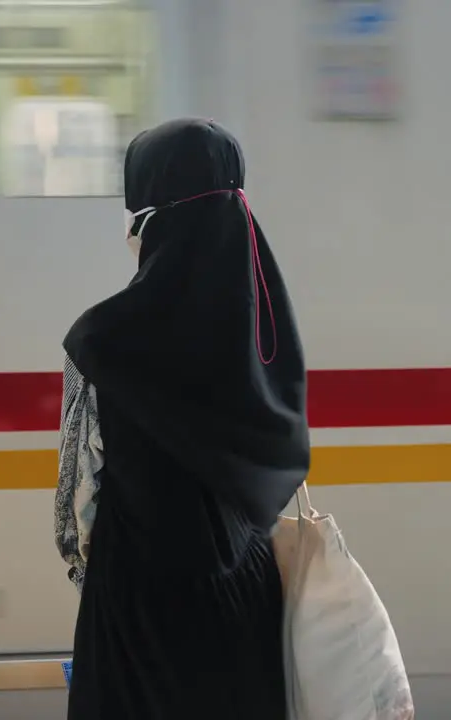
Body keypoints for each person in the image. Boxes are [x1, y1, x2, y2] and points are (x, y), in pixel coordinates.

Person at [54, 118, 310, 719]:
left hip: (138, 609)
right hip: (245, 594)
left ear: (150, 218)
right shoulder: (266, 338)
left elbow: (75, 511)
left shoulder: (99, 340)